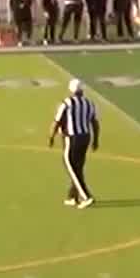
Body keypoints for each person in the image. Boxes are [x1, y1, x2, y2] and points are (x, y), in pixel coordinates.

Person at [48, 78, 101, 208]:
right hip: (86, 137)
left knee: (70, 165)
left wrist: (51, 137)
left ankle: (86, 196)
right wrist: (95, 140)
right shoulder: (89, 103)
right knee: (78, 167)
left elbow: (56, 122)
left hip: (72, 138)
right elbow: (95, 123)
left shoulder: (66, 104)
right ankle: (73, 197)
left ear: (71, 90)